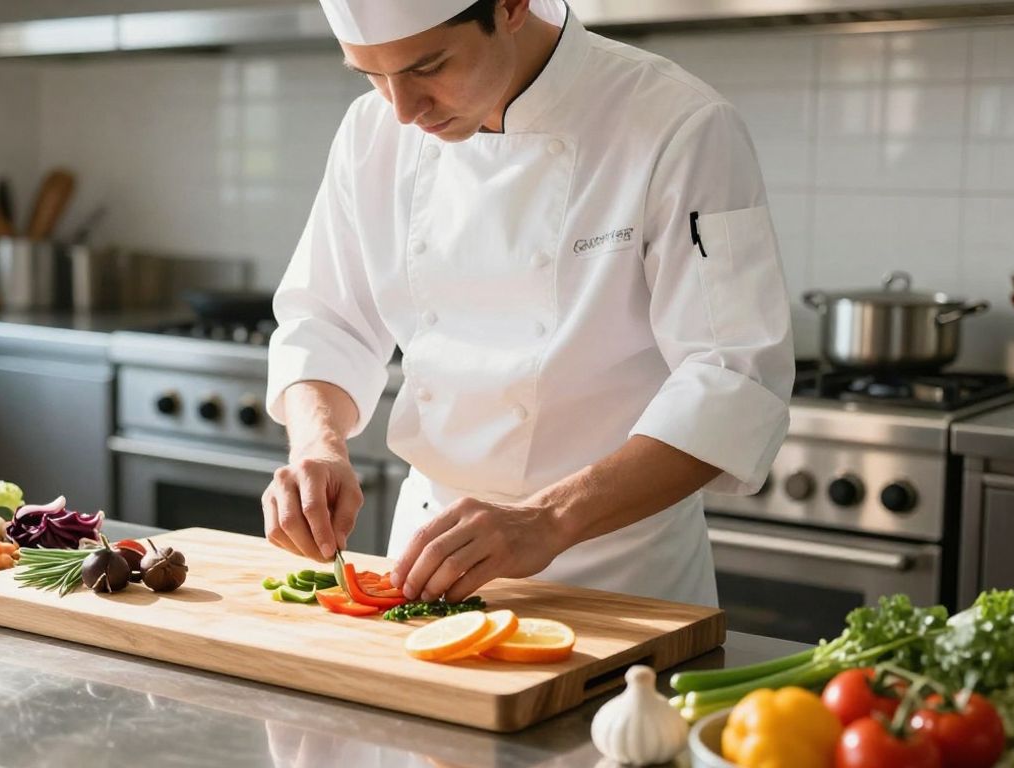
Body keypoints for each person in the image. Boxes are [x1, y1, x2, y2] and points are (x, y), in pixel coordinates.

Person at [261, 0, 794, 607]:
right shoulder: (370, 131)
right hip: (425, 563)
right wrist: (316, 445)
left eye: (428, 66)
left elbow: (733, 377)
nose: (403, 110)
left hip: (619, 574)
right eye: (372, 76)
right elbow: (326, 319)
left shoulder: (681, 124)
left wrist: (546, 520)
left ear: (511, 5)